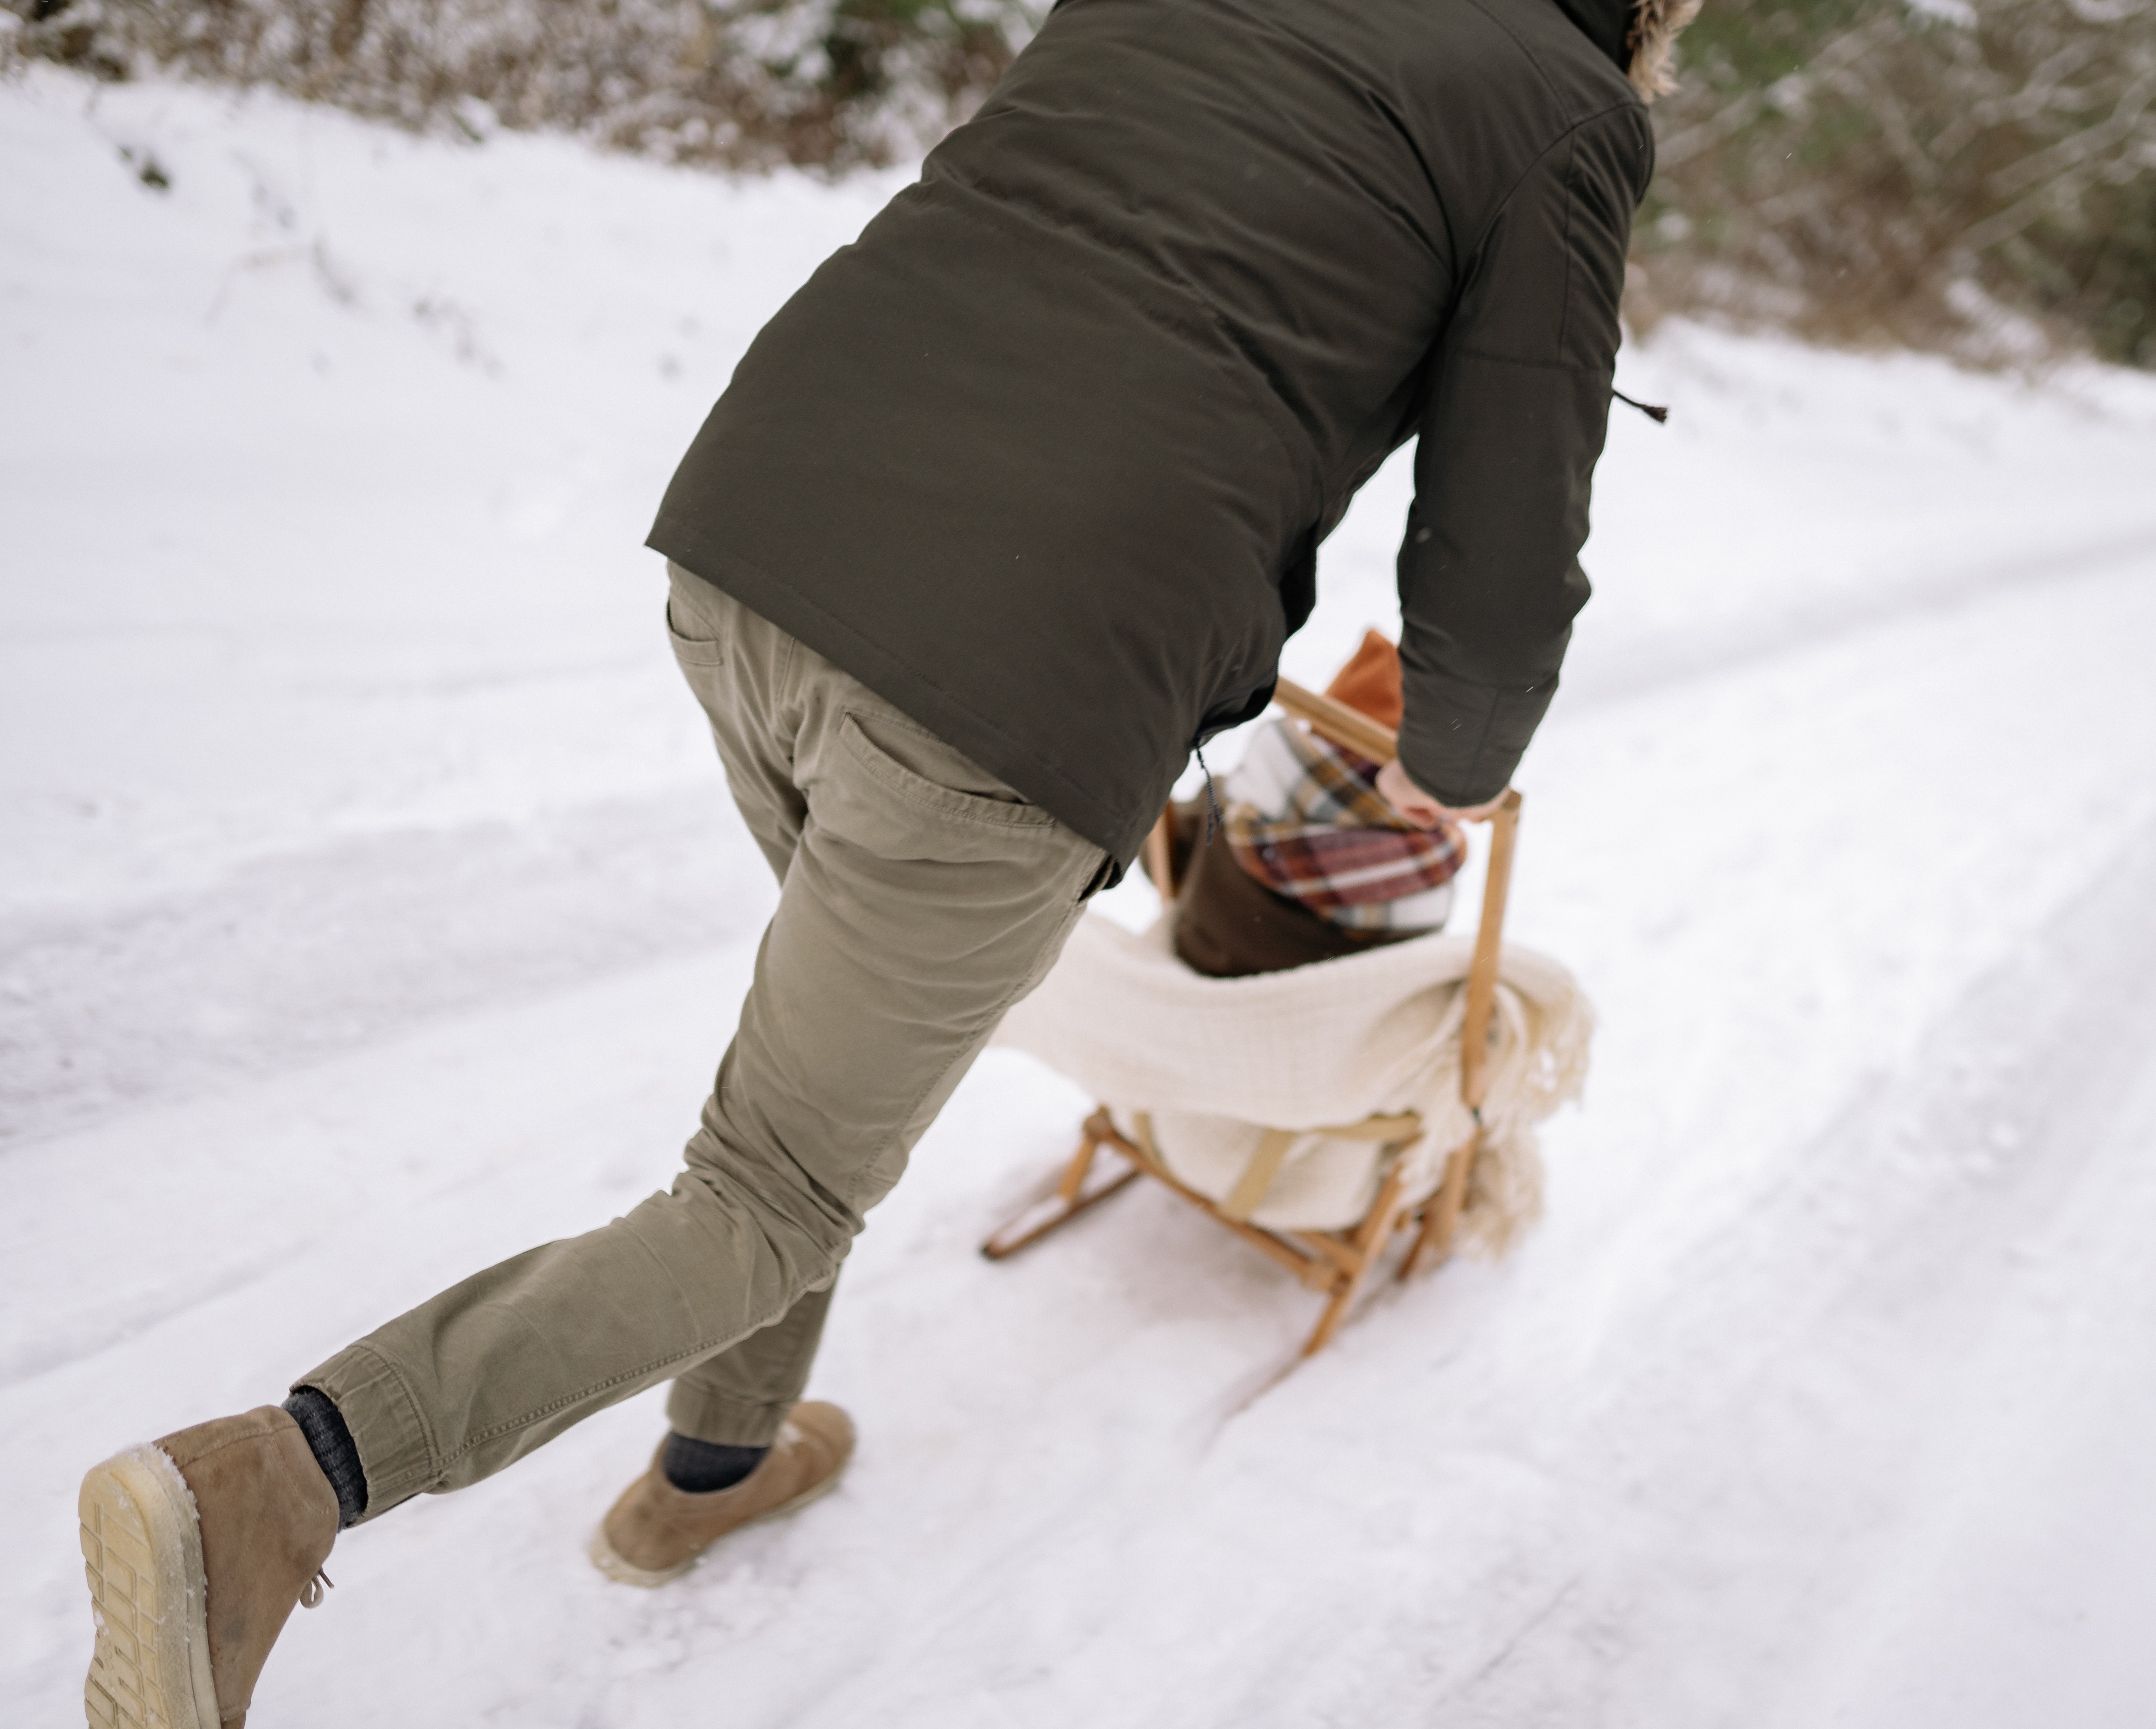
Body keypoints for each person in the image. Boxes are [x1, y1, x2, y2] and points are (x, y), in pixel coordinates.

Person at [71, 0, 1694, 1721]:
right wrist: (1452, 763)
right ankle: (278, 1479)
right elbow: (1503, 555)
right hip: (1020, 663)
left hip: (762, 524)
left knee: (800, 1093)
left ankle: (717, 1459)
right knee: (777, 1193)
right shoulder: (1561, 107)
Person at [1170, 628, 1474, 979]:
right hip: (1326, 1017)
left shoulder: (1238, 797)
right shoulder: (1428, 877)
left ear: (1319, 733)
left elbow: (1163, 849)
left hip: (1199, 968)